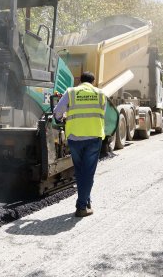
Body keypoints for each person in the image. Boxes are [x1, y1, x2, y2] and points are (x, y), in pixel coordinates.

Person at [53, 71, 106, 218]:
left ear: (79, 81)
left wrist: (62, 117)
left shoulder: (71, 92)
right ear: (93, 81)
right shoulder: (100, 94)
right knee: (88, 173)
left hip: (75, 138)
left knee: (80, 172)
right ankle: (82, 206)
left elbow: (57, 113)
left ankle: (85, 201)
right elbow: (101, 113)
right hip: (94, 137)